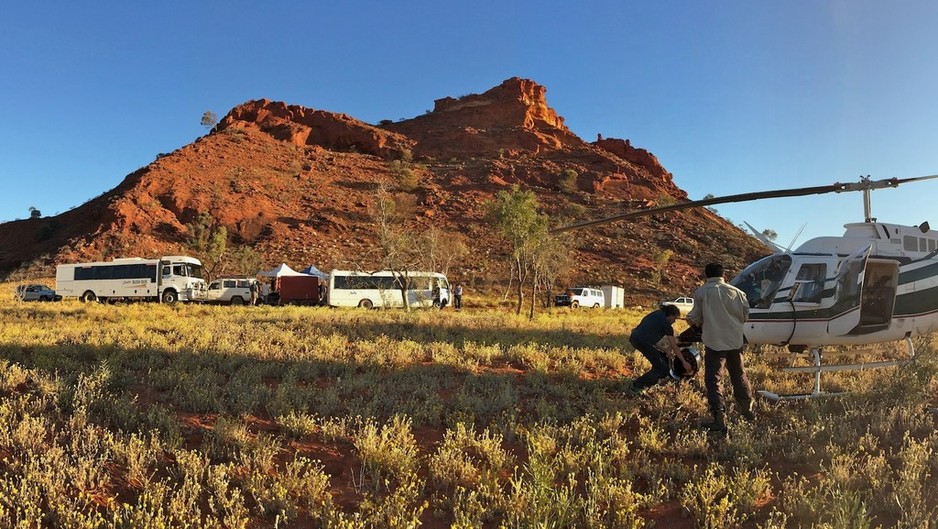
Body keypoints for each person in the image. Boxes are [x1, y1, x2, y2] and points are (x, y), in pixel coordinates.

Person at [686, 262, 754, 433]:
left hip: (714, 342)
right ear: (724, 275)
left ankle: (719, 419)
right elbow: (745, 316)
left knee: (714, 379)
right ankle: (747, 411)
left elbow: (695, 317)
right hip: (735, 341)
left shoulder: (702, 292)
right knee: (739, 375)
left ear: (706, 275)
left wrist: (697, 323)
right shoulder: (738, 292)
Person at [628, 304, 690, 393]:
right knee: (662, 368)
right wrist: (684, 362)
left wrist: (665, 350)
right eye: (675, 318)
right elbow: (674, 346)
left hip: (635, 338)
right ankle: (637, 386)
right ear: (671, 315)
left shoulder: (657, 314)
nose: (674, 321)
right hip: (642, 342)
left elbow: (652, 337)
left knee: (663, 359)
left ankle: (650, 380)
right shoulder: (666, 324)